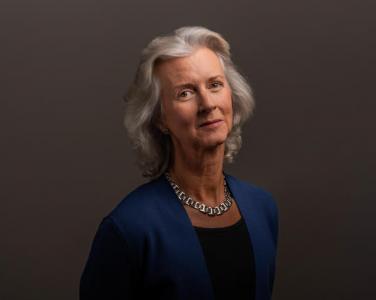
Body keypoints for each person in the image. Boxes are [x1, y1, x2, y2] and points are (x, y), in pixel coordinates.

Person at [80, 26, 279, 300]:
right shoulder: (129, 229)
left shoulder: (262, 209)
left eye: (215, 85)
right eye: (185, 93)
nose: (208, 103)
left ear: (231, 95)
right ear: (160, 118)